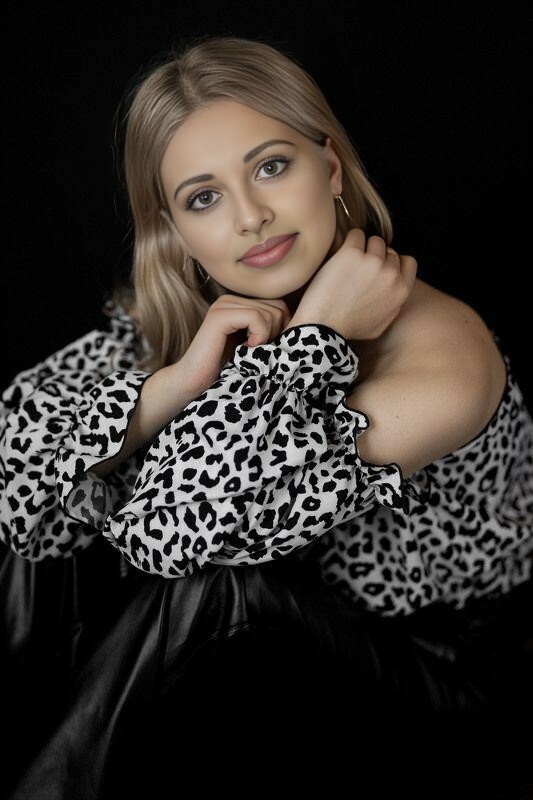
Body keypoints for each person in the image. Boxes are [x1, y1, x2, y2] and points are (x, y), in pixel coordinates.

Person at [2, 36, 532, 799]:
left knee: (217, 587)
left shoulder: (444, 363)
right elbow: (14, 468)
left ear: (330, 169)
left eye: (271, 166)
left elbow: (170, 535)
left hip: (437, 675)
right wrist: (177, 381)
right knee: (58, 485)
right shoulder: (214, 311)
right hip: (285, 640)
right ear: (175, 230)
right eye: (204, 198)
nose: (249, 217)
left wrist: (314, 338)